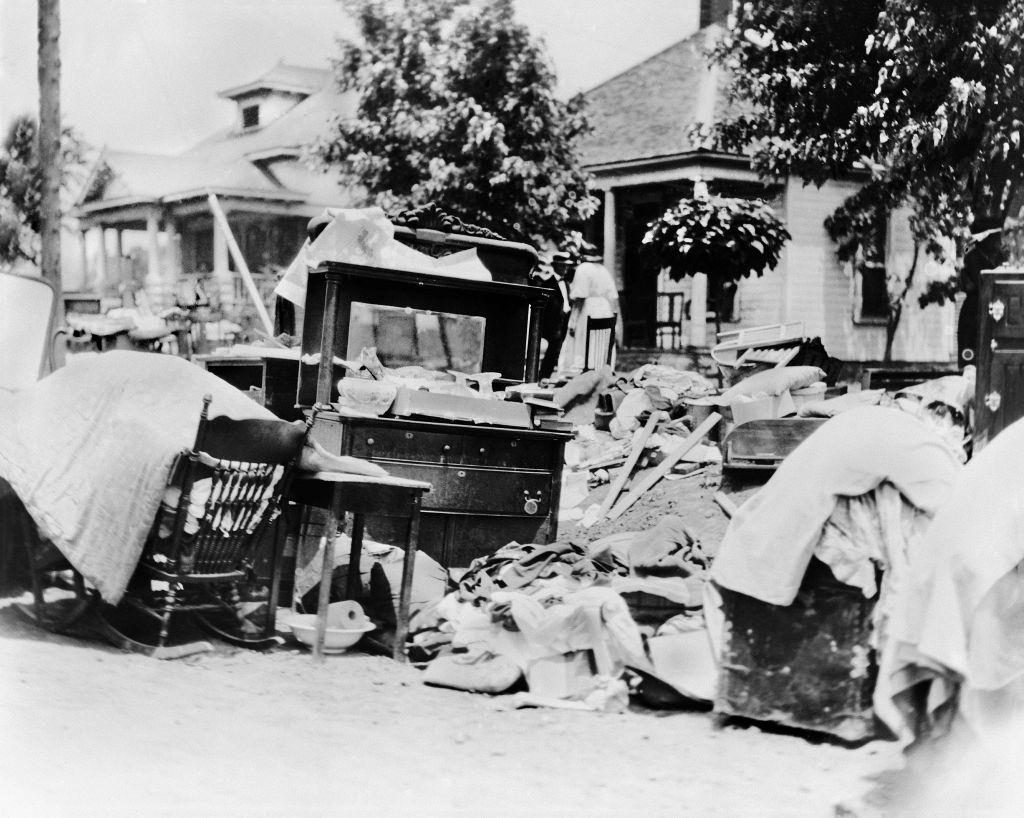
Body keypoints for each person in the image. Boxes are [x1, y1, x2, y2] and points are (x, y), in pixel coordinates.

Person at [559, 253, 620, 373]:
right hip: (605, 309)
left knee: (582, 340)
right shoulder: (603, 270)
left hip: (588, 308)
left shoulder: (583, 268)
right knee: (600, 340)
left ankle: (582, 370)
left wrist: (573, 320)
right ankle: (601, 369)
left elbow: (580, 296)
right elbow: (612, 296)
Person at [533, 252, 571, 380]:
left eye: (567, 266)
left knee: (557, 351)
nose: (566, 269)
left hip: (564, 320)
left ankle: (548, 376)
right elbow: (547, 306)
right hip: (553, 322)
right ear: (556, 266)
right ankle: (543, 376)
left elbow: (567, 301)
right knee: (551, 352)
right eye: (563, 266)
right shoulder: (548, 284)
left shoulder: (566, 284)